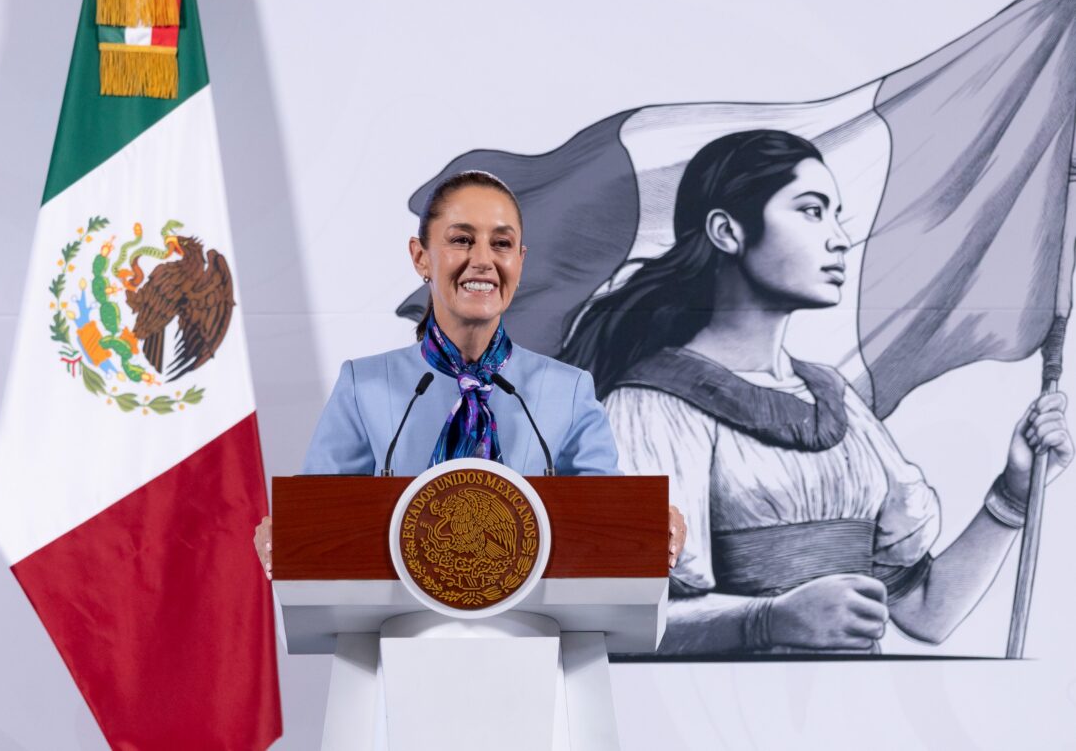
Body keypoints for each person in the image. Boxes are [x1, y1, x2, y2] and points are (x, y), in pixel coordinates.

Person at [560, 130, 1073, 654]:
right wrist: (766, 620)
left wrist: (1013, 492)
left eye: (835, 213)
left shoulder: (839, 402)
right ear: (726, 231)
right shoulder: (648, 406)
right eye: (811, 210)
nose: (839, 238)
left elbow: (925, 613)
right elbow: (611, 622)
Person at [255, 170, 686, 577]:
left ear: (520, 260)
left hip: (530, 639)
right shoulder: (363, 386)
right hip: (401, 639)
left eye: (501, 244)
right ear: (421, 257)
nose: (482, 260)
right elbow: (316, 523)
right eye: (462, 240)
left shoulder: (568, 391)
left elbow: (608, 527)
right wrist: (286, 532)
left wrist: (648, 523)